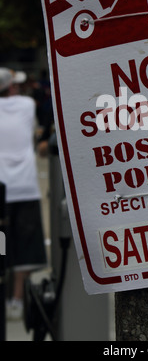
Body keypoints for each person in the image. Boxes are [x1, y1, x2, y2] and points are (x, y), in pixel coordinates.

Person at [0, 68, 47, 320]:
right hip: (25, 187)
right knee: (24, 244)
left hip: (1, 190)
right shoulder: (27, 105)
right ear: (13, 88)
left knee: (2, 244)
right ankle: (17, 299)